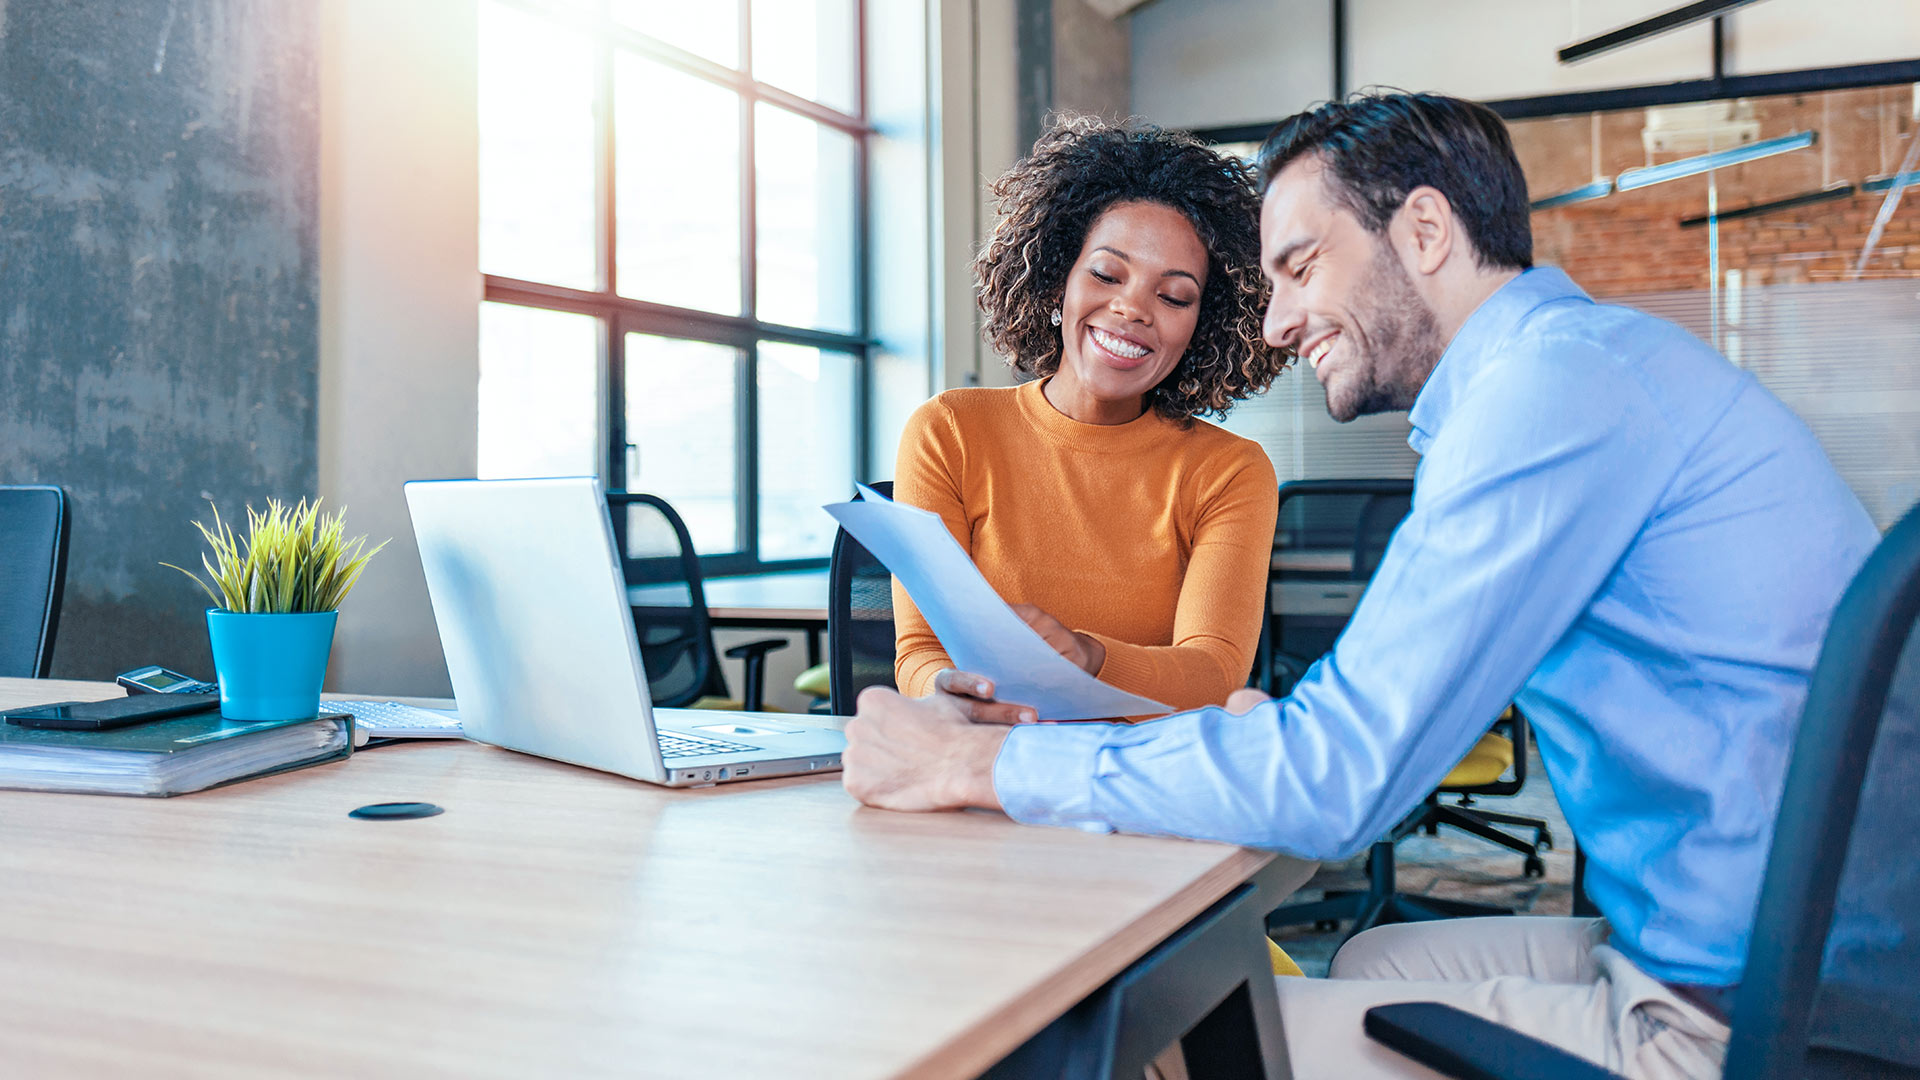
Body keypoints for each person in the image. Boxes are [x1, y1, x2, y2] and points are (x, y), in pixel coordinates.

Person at [842, 92, 1881, 1079]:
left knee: (1158, 1027)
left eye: (1298, 267)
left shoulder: (1550, 396)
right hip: (1751, 943)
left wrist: (988, 770)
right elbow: (1345, 735)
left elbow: (1340, 777)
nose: (1279, 322)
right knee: (1371, 963)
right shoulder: (1576, 369)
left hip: (1755, 1012)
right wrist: (1268, 742)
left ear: (1424, 233)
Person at [890, 115, 1289, 719]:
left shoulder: (1230, 470)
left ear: (1201, 327)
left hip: (1146, 776)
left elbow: (1214, 672)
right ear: (1057, 282)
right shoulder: (950, 430)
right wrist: (947, 691)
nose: (1131, 307)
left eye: (1174, 296)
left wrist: (1087, 658)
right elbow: (920, 651)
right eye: (1106, 273)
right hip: (986, 757)